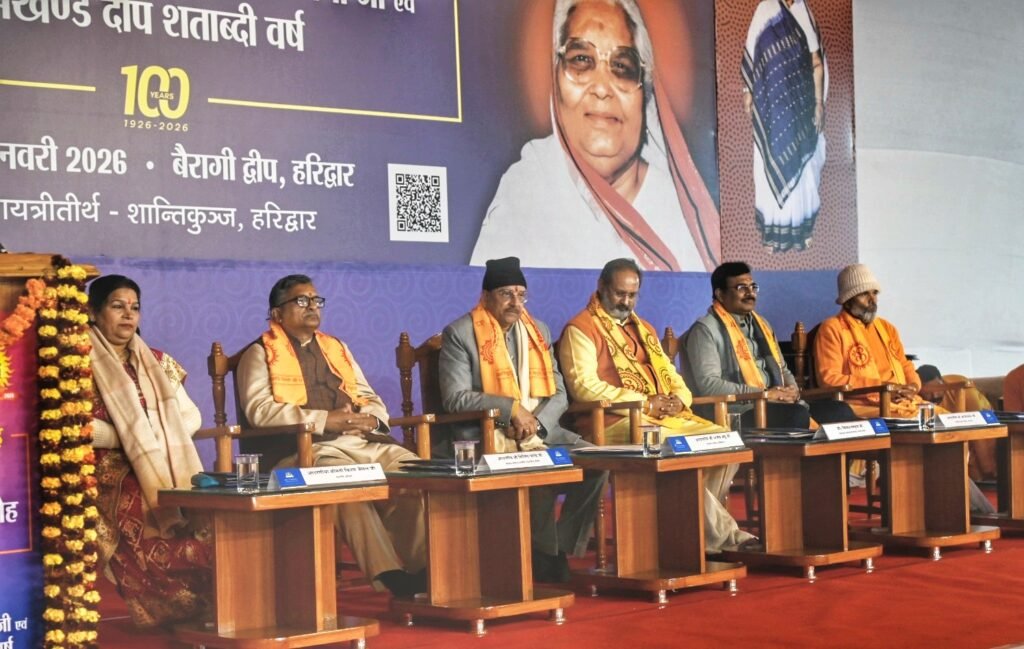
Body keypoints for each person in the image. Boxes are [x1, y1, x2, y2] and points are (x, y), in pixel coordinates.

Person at [471, 0, 719, 272]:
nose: (602, 88)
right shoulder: (529, 188)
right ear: (555, 77)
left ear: (644, 92)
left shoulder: (678, 209)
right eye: (581, 60)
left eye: (622, 66)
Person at [235, 274, 427, 597]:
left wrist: (371, 420)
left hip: (363, 441)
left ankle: (426, 569)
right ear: (277, 314)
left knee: (415, 473)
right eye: (301, 301)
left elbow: (368, 396)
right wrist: (326, 421)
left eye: (316, 300)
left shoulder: (336, 348)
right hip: (307, 450)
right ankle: (389, 575)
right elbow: (261, 411)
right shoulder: (259, 353)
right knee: (342, 482)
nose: (312, 306)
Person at [559, 258, 756, 552]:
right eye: (619, 293)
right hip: (613, 422)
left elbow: (673, 376)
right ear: (601, 286)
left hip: (661, 418)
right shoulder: (581, 328)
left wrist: (679, 399)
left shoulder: (644, 329)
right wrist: (645, 404)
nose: (626, 302)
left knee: (727, 443)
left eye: (632, 295)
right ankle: (722, 538)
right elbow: (584, 387)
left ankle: (694, 533)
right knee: (676, 450)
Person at [438, 257, 606, 582]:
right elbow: (456, 398)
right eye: (506, 294)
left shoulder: (537, 330)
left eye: (521, 294)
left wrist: (536, 426)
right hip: (489, 435)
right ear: (486, 296)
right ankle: (543, 555)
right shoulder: (460, 333)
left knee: (598, 463)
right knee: (537, 469)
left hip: (542, 431)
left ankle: (558, 548)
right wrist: (512, 410)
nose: (516, 303)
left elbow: (560, 393)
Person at [814, 264, 995, 513]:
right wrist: (882, 388)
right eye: (865, 294)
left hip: (904, 403)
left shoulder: (887, 328)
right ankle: (960, 510)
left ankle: (952, 508)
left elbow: (906, 367)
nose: (872, 300)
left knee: (951, 424)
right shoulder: (832, 329)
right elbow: (830, 378)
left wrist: (912, 385)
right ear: (848, 297)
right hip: (864, 407)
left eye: (875, 293)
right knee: (926, 431)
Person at [88, 275, 212, 627]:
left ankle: (216, 599)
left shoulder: (156, 361)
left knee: (207, 509)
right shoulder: (75, 362)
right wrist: (130, 438)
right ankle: (174, 607)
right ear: (93, 312)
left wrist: (151, 440)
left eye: (135, 307)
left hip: (166, 462)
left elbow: (191, 416)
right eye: (117, 306)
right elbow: (76, 426)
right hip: (106, 469)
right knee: (139, 504)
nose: (128, 314)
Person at [683, 261, 854, 428]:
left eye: (753, 287)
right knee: (795, 416)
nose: (750, 293)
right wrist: (763, 395)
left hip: (778, 404)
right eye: (741, 288)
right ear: (720, 294)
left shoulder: (762, 324)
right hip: (738, 410)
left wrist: (792, 390)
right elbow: (709, 385)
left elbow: (783, 369)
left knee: (840, 411)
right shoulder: (705, 330)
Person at [742, 0, 826, 252]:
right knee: (770, 164)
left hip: (801, 107)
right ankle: (772, 233)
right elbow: (752, 54)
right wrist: (748, 91)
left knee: (804, 171)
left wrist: (818, 103)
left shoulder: (804, 12)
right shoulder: (765, 10)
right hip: (772, 106)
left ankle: (801, 231)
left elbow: (816, 62)